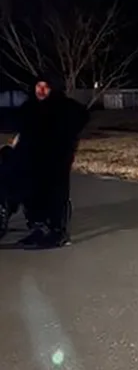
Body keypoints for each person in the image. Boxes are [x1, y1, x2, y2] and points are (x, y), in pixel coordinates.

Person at [11, 73, 90, 248]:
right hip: (32, 159)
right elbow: (21, 127)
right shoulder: (29, 107)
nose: (41, 90)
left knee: (56, 195)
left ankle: (58, 233)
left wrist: (67, 138)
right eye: (38, 86)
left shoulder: (65, 106)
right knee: (32, 194)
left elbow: (82, 116)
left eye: (45, 86)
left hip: (56, 159)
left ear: (53, 88)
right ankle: (38, 228)